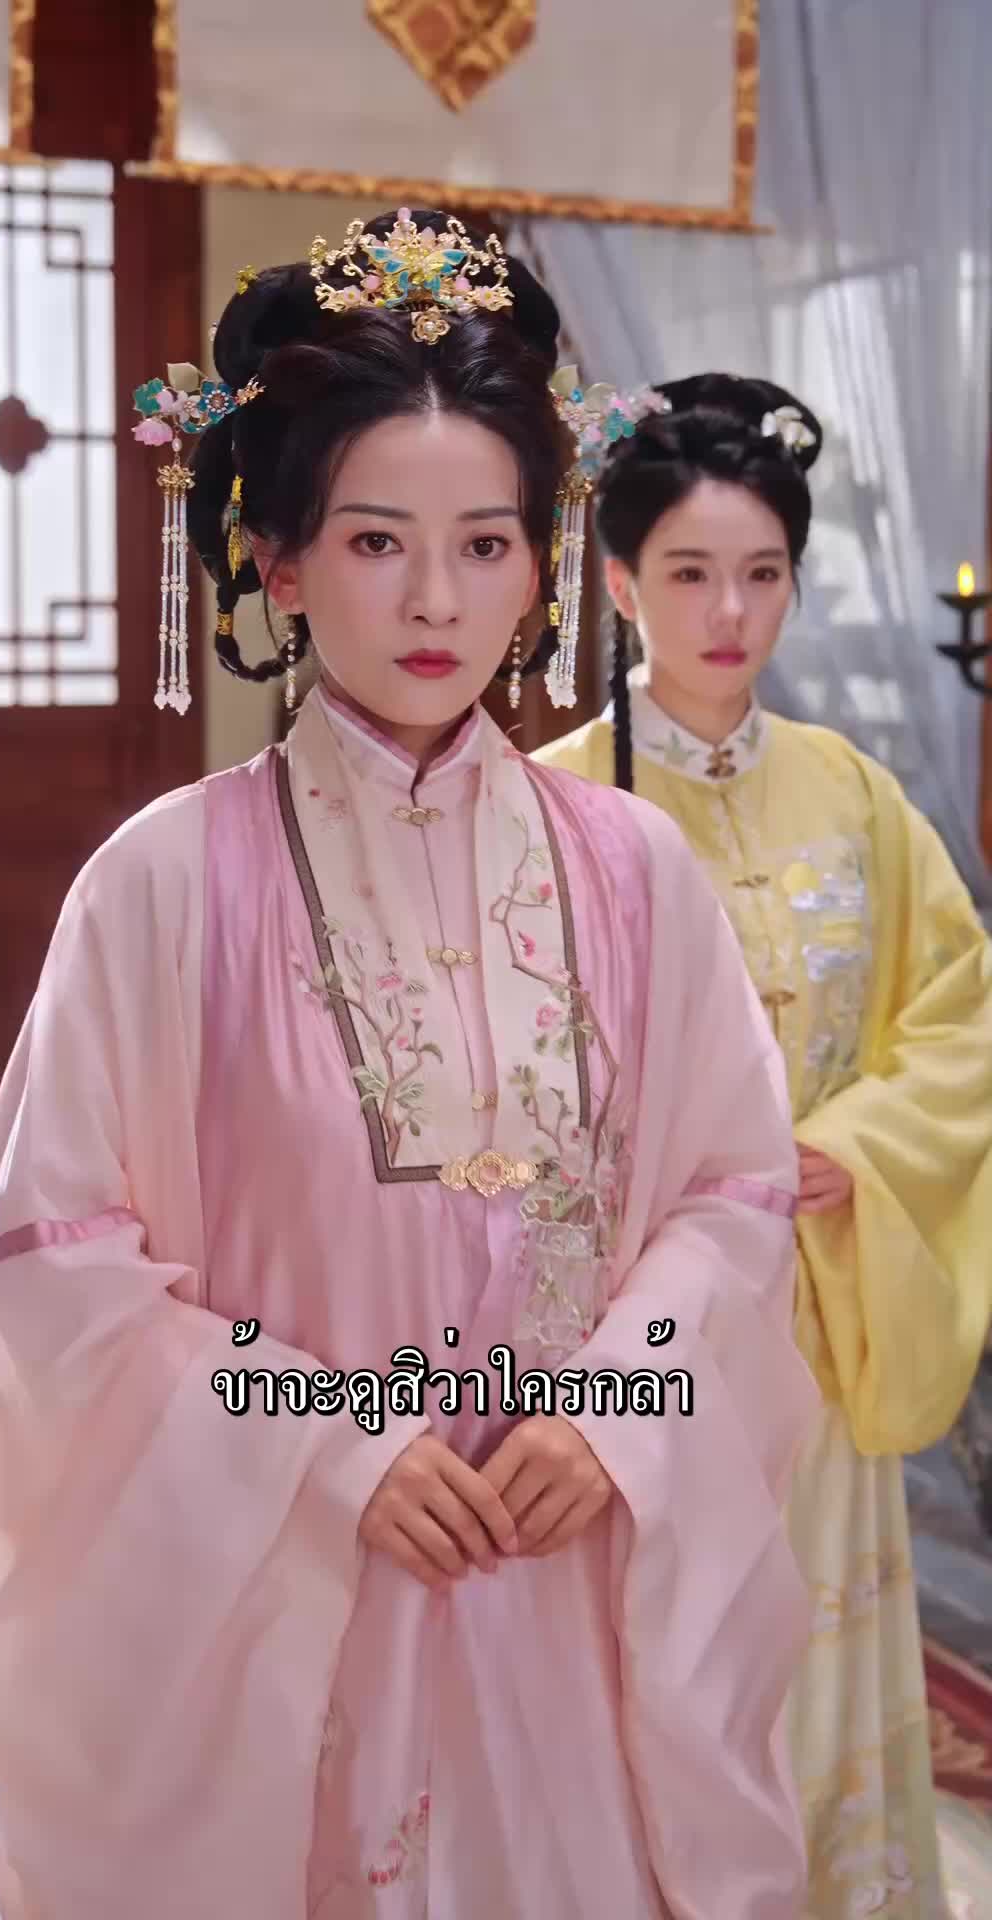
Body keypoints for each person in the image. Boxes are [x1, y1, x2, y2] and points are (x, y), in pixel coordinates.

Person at [0, 228, 818, 1920]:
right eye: (376, 541)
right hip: (294, 1596)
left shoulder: (635, 873)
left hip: (568, 1573)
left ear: (546, 562)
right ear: (276, 560)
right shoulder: (164, 884)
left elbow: (735, 1192)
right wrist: (330, 1448)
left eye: (485, 544)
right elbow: (57, 1273)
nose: (435, 603)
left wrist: (619, 1410)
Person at [535, 369, 992, 1917]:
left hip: (820, 1292)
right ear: (618, 581)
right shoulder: (553, 806)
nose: (730, 613)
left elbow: (958, 1013)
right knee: (660, 1656)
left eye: (764, 573)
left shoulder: (854, 796)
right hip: (639, 1319)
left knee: (814, 1642)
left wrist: (857, 1143)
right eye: (688, 573)